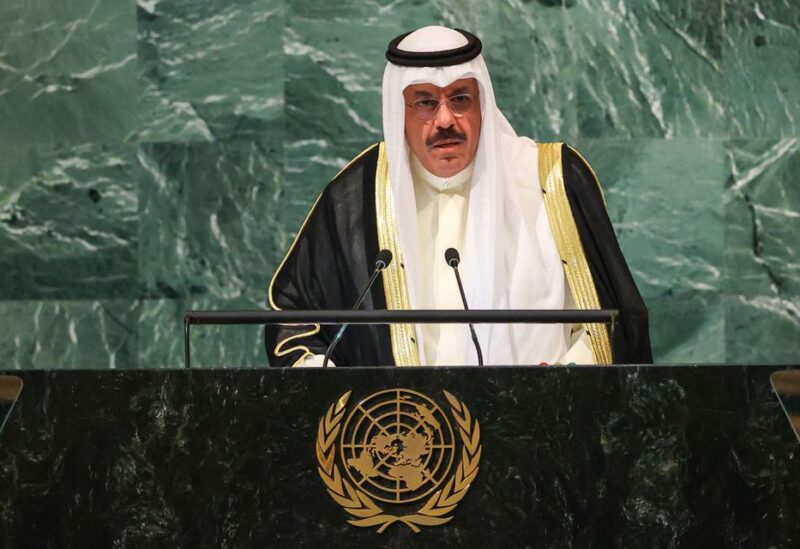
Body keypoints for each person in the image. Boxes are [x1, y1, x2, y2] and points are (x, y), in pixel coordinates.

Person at [266, 26, 652, 367]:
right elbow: (295, 323)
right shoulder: (359, 195)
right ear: (399, 110)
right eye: (425, 102)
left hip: (540, 433)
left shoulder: (551, 180)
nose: (446, 120)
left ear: (482, 102)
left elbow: (612, 324)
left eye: (461, 98)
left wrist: (563, 383)